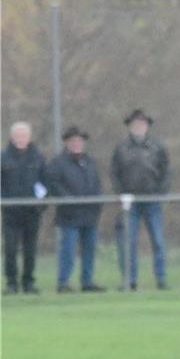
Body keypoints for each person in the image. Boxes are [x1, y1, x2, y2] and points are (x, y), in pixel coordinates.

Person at [110, 109, 170, 290]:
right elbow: (114, 174)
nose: (139, 127)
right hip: (131, 203)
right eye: (135, 124)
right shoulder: (121, 148)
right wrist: (121, 193)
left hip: (152, 200)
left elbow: (166, 172)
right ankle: (130, 280)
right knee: (129, 242)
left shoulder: (157, 147)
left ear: (147, 127)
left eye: (142, 124)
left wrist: (160, 193)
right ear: (130, 126)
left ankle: (161, 278)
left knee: (158, 241)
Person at [44, 126, 104, 293]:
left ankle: (87, 281)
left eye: (80, 141)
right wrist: (68, 200)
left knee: (90, 250)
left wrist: (97, 202)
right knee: (68, 250)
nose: (77, 144)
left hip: (90, 214)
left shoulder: (90, 162)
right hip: (70, 215)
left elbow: (96, 184)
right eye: (74, 141)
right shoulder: (58, 163)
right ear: (67, 143)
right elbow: (53, 184)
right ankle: (63, 282)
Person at [1, 122, 46, 294]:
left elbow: (45, 182)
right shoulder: (4, 158)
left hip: (31, 212)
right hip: (11, 212)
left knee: (30, 249)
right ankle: (11, 283)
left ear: (29, 138)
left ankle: (29, 282)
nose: (21, 139)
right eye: (18, 136)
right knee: (11, 249)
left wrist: (41, 204)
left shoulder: (37, 158)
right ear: (12, 138)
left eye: (24, 135)